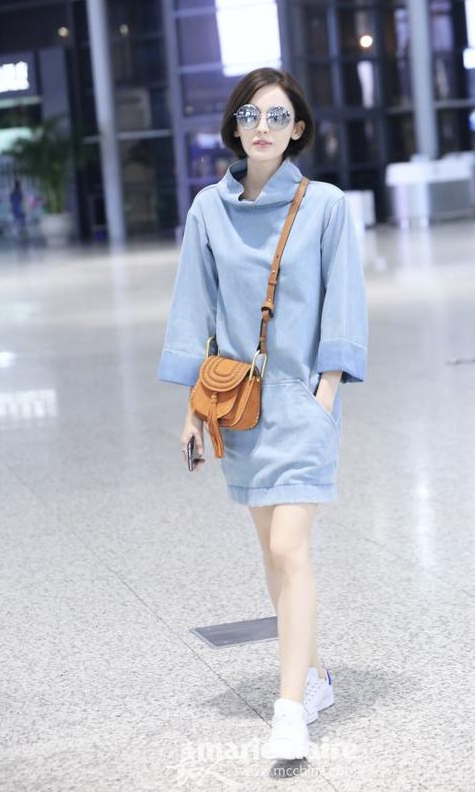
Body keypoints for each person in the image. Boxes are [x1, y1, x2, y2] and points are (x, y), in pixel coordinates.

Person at [157, 67, 368, 762]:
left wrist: (325, 394)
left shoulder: (326, 205)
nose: (263, 128)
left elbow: (344, 300)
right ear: (234, 126)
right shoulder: (208, 211)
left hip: (302, 401)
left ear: (297, 128)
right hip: (239, 407)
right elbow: (193, 309)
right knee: (270, 555)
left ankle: (289, 711)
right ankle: (315, 675)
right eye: (250, 115)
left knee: (289, 548)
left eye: (278, 116)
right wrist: (194, 409)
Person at [9, 178, 28, 248]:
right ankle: (22, 234)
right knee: (21, 222)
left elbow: (11, 201)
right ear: (19, 185)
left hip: (15, 209)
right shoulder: (19, 192)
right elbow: (22, 200)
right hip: (19, 208)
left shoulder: (13, 193)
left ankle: (18, 235)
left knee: (17, 222)